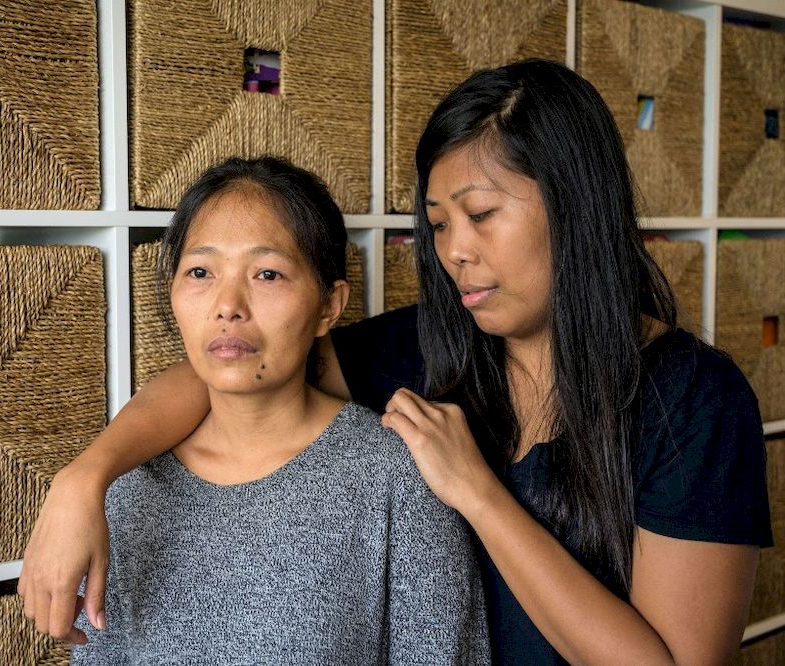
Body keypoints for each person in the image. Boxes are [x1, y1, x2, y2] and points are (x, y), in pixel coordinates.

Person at [19, 60, 772, 664]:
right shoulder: (433, 345)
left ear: (576, 206)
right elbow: (233, 363)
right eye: (439, 225)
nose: (455, 253)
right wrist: (85, 478)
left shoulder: (695, 399)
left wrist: (477, 492)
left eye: (481, 216)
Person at [62, 156, 489, 664]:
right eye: (200, 271)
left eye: (267, 274)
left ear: (329, 307)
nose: (227, 305)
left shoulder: (398, 474)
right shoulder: (127, 484)